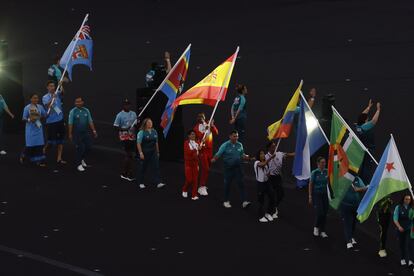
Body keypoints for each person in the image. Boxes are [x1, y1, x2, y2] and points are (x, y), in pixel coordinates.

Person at [211, 130, 251, 209]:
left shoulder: (239, 144)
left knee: (241, 184)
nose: (236, 137)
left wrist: (246, 157)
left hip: (238, 167)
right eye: (234, 136)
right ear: (230, 136)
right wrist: (214, 159)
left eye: (237, 136)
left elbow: (242, 154)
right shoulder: (225, 145)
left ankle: (244, 201)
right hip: (228, 168)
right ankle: (226, 201)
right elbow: (218, 153)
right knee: (227, 185)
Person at [265, 140, 295, 218]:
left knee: (281, 194)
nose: (274, 147)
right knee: (272, 195)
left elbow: (289, 154)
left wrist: (299, 153)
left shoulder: (279, 154)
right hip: (269, 178)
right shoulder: (265, 156)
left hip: (278, 178)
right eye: (273, 146)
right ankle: (269, 212)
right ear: (269, 148)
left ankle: (275, 206)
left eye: (275, 146)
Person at [68, 97, 97, 172]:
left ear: (82, 102)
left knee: (89, 147)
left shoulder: (86, 110)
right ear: (75, 103)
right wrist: (70, 134)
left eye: (79, 101)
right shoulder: (73, 111)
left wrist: (94, 131)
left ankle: (82, 159)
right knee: (80, 148)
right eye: (76, 102)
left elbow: (90, 121)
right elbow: (70, 123)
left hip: (85, 132)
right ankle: (78, 165)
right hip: (76, 133)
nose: (77, 103)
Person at [355, 99, 381, 184]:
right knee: (367, 170)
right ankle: (366, 185)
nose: (368, 119)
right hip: (369, 151)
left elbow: (362, 115)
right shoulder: (364, 127)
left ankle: (362, 183)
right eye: (367, 118)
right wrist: (378, 110)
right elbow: (374, 121)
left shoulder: (358, 126)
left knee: (363, 169)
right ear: (365, 120)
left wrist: (369, 107)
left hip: (364, 151)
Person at [193, 113, 218, 196]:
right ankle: (201, 186)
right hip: (202, 151)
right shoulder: (196, 128)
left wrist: (212, 125)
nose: (201, 118)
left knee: (207, 169)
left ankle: (202, 184)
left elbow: (216, 132)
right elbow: (195, 139)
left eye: (202, 117)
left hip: (209, 150)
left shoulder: (209, 124)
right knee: (205, 168)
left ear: (204, 118)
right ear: (198, 119)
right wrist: (198, 144)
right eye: (199, 117)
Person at [136, 118, 165, 189]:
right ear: (145, 124)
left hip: (153, 152)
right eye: (148, 123)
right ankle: (141, 182)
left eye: (151, 122)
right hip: (145, 152)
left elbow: (156, 142)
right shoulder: (141, 132)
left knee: (156, 167)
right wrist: (141, 153)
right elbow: (138, 143)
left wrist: (158, 152)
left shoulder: (154, 131)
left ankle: (158, 182)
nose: (150, 124)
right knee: (143, 167)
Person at [42, 80, 66, 166]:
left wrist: (61, 85)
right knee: (50, 142)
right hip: (51, 122)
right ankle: (43, 152)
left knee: (61, 140)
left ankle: (59, 158)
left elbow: (63, 93)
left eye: (53, 86)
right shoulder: (45, 97)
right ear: (47, 87)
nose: (53, 87)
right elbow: (47, 106)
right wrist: (53, 98)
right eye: (51, 86)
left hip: (60, 120)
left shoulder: (57, 93)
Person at [340, 176, 367, 249]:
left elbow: (364, 188)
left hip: (356, 206)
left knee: (354, 223)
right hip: (346, 205)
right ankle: (348, 241)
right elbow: (356, 189)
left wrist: (361, 188)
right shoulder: (345, 178)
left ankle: (351, 237)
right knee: (347, 223)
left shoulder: (358, 179)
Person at [113, 99, 137, 181]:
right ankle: (127, 173)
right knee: (128, 155)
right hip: (124, 137)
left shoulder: (133, 113)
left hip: (132, 136)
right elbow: (115, 127)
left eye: (128, 104)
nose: (127, 106)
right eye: (126, 105)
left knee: (132, 155)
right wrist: (124, 129)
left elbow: (136, 124)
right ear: (123, 106)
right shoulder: (119, 115)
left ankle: (126, 172)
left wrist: (138, 122)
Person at [22, 93, 47, 166]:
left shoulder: (40, 107)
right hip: (30, 129)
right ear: (30, 99)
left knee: (39, 145)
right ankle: (23, 156)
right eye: (34, 98)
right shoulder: (27, 108)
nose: (36, 99)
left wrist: (41, 116)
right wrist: (30, 119)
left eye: (37, 98)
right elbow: (23, 118)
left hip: (39, 128)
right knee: (30, 146)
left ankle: (38, 161)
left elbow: (45, 115)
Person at [308, 157, 329, 238]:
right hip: (317, 194)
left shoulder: (327, 171)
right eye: (322, 162)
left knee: (325, 213)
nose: (324, 164)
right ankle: (316, 227)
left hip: (325, 195)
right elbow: (310, 184)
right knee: (320, 213)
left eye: (325, 162)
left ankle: (323, 231)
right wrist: (310, 196)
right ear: (318, 163)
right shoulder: (314, 172)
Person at [254, 149, 276, 223]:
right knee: (261, 201)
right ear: (258, 156)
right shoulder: (256, 162)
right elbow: (262, 165)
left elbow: (267, 174)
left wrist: (269, 173)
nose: (263, 155)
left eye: (263, 153)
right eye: (261, 154)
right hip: (260, 184)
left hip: (267, 183)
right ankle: (260, 217)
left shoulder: (266, 163)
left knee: (272, 197)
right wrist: (271, 158)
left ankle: (268, 213)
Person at [393, 194, 413, 266]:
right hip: (401, 228)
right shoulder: (398, 207)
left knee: (410, 244)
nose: (408, 201)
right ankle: (402, 259)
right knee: (402, 244)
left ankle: (411, 260)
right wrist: (399, 227)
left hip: (409, 229)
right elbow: (395, 219)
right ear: (403, 199)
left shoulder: (412, 208)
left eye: (409, 199)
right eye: (406, 199)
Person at [182, 130, 200, 200]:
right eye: (192, 134)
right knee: (189, 180)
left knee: (195, 180)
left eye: (194, 134)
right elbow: (188, 152)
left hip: (195, 163)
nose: (193, 136)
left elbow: (198, 154)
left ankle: (194, 195)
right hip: (188, 164)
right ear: (188, 136)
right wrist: (196, 149)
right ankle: (184, 189)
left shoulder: (198, 142)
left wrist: (200, 149)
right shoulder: (186, 143)